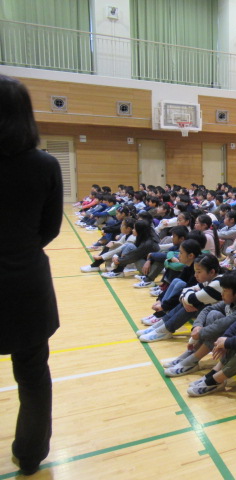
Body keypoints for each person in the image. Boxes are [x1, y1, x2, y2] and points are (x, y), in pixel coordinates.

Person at [0, 75, 63, 476]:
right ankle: (31, 453)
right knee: (33, 374)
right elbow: (50, 228)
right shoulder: (45, 165)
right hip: (25, 281)